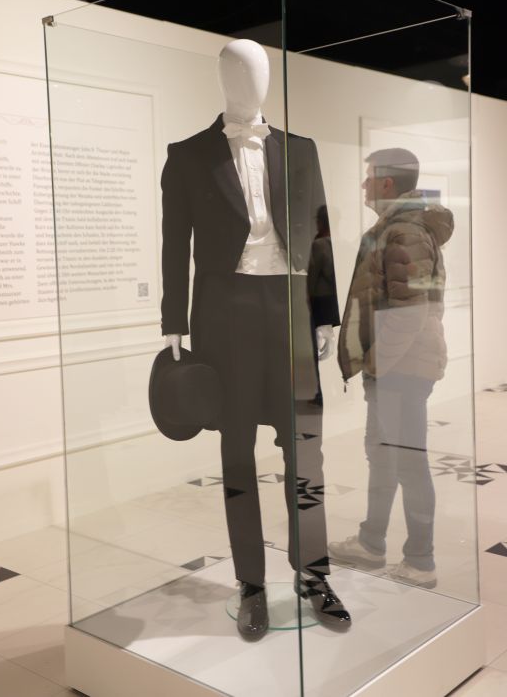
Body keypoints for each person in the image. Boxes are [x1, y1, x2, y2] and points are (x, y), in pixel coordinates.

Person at [161, 39, 350, 640]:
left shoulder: (301, 149)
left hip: (292, 308)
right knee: (237, 450)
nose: (251, 82)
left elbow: (320, 234)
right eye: (238, 71)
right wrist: (174, 320)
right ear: (221, 78)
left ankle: (314, 573)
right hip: (225, 312)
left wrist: (325, 312)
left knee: (306, 447)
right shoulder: (188, 155)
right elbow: (174, 243)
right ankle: (250, 583)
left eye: (260, 71)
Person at [329, 148, 453, 588]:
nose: (363, 185)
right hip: (395, 367)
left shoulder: (405, 232)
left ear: (385, 182)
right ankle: (371, 542)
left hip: (401, 370)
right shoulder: (398, 229)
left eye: (369, 177)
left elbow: (409, 311)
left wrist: (377, 366)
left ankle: (420, 561)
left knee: (408, 463)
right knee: (383, 457)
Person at [307, 204, 340, 406]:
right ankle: (340, 390)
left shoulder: (319, 245)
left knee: (319, 349)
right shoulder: (341, 243)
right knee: (333, 347)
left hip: (321, 303)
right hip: (336, 303)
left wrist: (306, 300)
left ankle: (322, 393)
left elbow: (311, 277)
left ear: (320, 222)